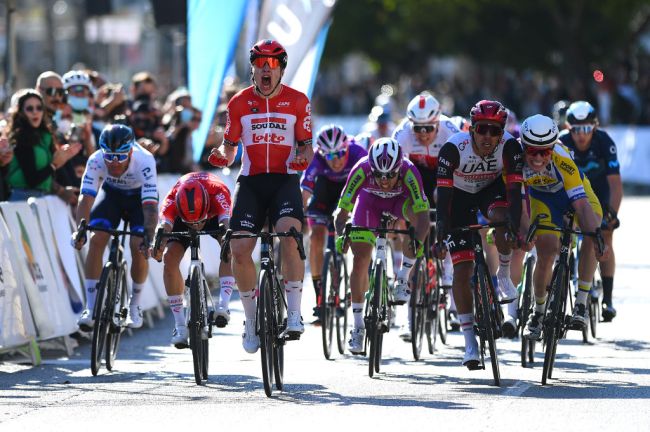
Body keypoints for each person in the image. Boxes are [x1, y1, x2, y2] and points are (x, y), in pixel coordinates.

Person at [208, 39, 313, 353]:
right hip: (252, 182)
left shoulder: (298, 101)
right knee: (239, 248)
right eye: (259, 64)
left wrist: (302, 159)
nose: (265, 70)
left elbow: (307, 145)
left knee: (290, 236)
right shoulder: (239, 102)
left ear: (280, 69)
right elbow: (230, 145)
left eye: (272, 65)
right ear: (252, 69)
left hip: (284, 180)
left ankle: (294, 313)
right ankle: (252, 322)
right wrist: (222, 156)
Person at [435, 100, 525, 369]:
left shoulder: (510, 147)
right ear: (472, 129)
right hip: (458, 198)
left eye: (494, 131)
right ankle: (470, 343)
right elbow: (444, 197)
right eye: (482, 130)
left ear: (502, 131)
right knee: (462, 271)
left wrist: (514, 225)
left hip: (491, 190)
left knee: (502, 219)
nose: (488, 136)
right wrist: (441, 226)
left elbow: (514, 193)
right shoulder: (453, 148)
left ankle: (504, 275)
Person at [335, 138, 430, 354]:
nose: (384, 180)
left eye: (390, 174)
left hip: (400, 204)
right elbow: (341, 215)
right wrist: (342, 236)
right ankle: (357, 327)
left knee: (415, 225)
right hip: (368, 204)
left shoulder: (410, 171)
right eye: (378, 175)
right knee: (359, 261)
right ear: (372, 168)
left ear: (399, 167)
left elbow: (424, 216)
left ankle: (402, 279)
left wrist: (417, 242)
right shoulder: (361, 169)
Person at [520, 114, 607, 338]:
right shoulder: (514, 160)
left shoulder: (562, 160)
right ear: (523, 145)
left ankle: (581, 301)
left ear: (553, 147)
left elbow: (580, 204)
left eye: (545, 151)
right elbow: (517, 203)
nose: (539, 158)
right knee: (547, 251)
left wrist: (595, 235)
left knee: (591, 232)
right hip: (543, 199)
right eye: (532, 151)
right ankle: (538, 311)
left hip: (576, 194)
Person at [72, 124, 158, 331]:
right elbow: (86, 199)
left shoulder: (145, 160)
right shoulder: (95, 160)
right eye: (109, 156)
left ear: (130, 151)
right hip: (113, 196)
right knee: (96, 238)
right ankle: (91, 307)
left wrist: (149, 237)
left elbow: (150, 207)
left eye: (120, 157)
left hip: (140, 200)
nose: (113, 163)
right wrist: (80, 230)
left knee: (138, 245)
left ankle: (135, 305)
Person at [392, 92, 459, 339]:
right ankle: (410, 322)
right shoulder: (402, 134)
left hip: (445, 175)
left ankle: (450, 282)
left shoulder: (451, 131)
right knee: (416, 241)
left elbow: (462, 171)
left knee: (448, 211)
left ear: (438, 122)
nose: (422, 133)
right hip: (417, 175)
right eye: (417, 128)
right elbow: (391, 169)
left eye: (428, 128)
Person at [152, 172, 234, 348]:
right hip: (183, 219)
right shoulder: (171, 201)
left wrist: (226, 242)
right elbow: (163, 229)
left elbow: (227, 225)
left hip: (213, 217)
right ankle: (180, 325)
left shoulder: (218, 194)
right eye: (192, 224)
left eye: (199, 222)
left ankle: (223, 305)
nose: (196, 226)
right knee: (169, 258)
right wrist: (158, 248)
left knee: (228, 247)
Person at [559, 101, 622, 321]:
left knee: (603, 236)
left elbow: (615, 184)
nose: (581, 135)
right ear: (568, 128)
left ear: (594, 127)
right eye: (576, 130)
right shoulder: (561, 142)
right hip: (575, 196)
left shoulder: (605, 142)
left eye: (586, 129)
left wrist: (611, 213)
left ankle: (608, 298)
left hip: (600, 197)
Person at [301, 124, 367, 322]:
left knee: (357, 238)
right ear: (322, 154)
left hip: (350, 191)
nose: (336, 160)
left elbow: (369, 189)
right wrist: (297, 214)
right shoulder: (316, 158)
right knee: (316, 238)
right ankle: (320, 297)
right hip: (325, 193)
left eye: (340, 153)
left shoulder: (358, 153)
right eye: (329, 156)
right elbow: (304, 194)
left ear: (347, 147)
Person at [5, 89, 81, 201]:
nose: (35, 112)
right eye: (29, 109)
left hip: (42, 197)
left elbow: (47, 176)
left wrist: (61, 159)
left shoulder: (45, 136)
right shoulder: (20, 137)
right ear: (21, 112)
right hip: (21, 198)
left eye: (39, 108)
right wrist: (54, 164)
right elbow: (32, 180)